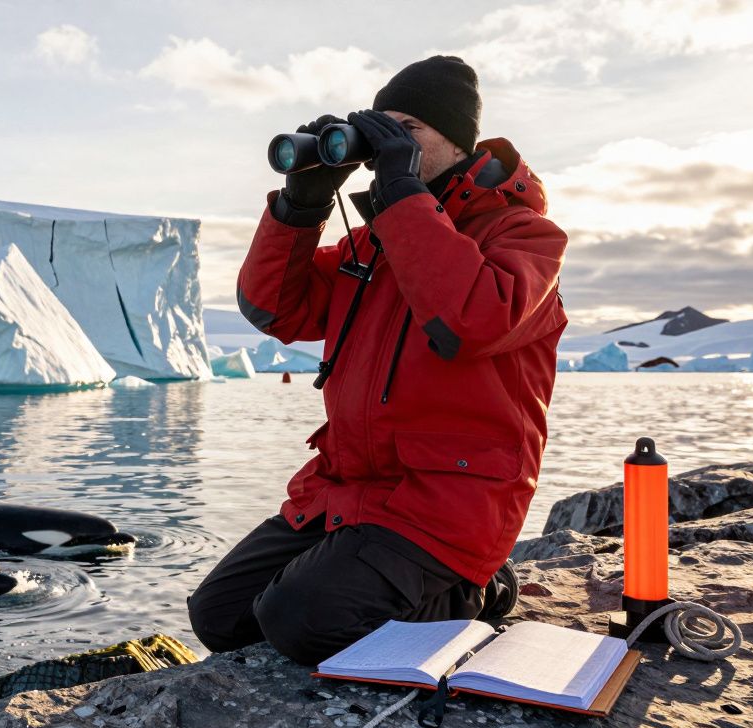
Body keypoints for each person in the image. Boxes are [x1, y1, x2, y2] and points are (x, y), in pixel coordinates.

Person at [188, 56, 568, 665]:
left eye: (409, 129)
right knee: (221, 616)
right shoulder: (371, 246)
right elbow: (272, 310)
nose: (390, 144)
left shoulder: (524, 237)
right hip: (351, 488)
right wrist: (300, 207)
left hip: (448, 503)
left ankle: (473, 590)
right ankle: (433, 586)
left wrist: (400, 195)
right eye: (381, 128)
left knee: (300, 622)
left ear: (458, 142)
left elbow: (467, 321)